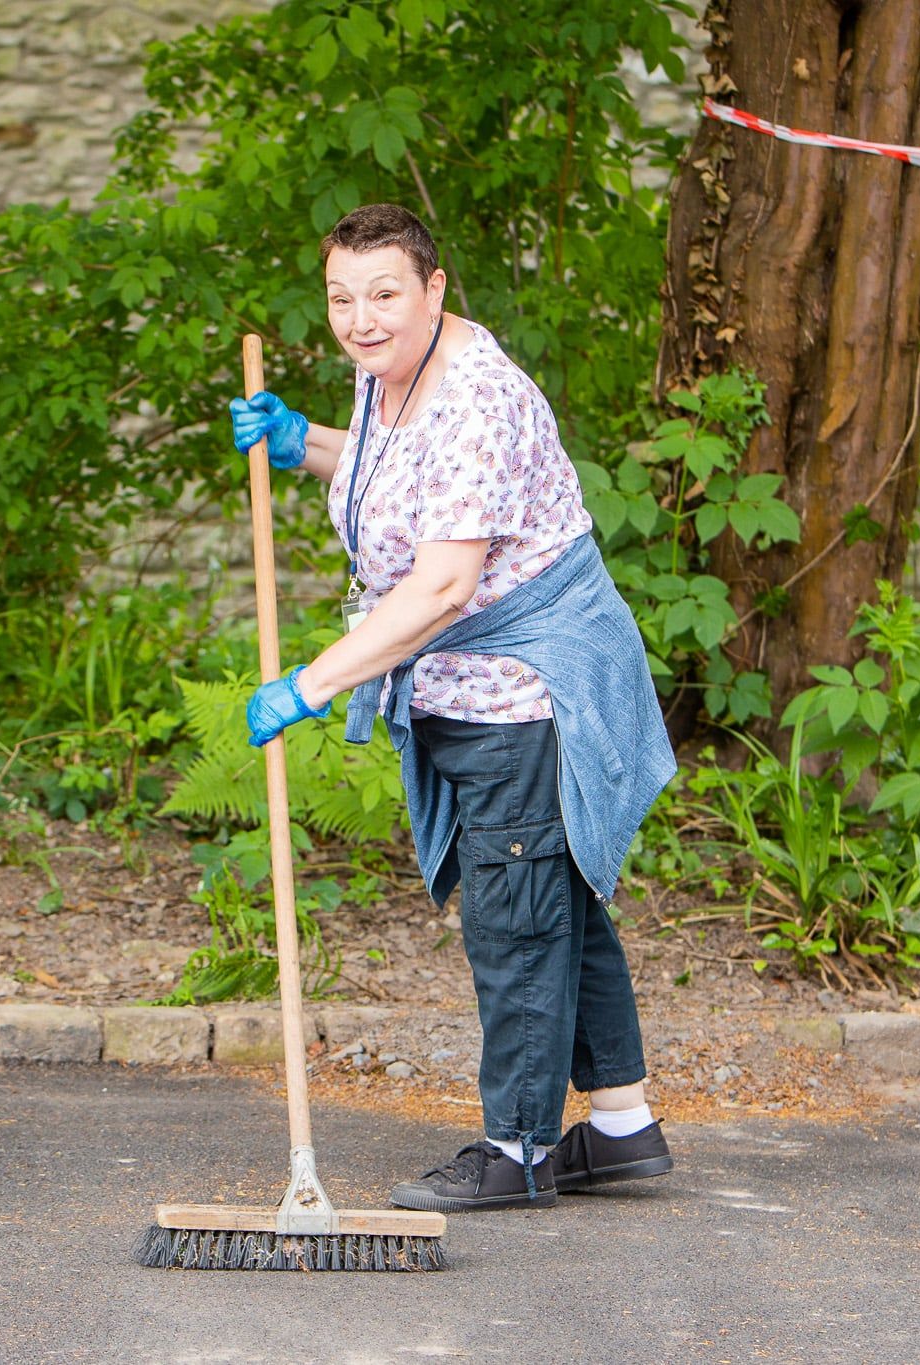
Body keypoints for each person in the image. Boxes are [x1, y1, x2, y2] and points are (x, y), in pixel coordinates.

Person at [228, 204, 678, 1212]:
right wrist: (307, 445)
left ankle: (514, 1149)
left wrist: (312, 683)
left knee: (516, 919)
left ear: (434, 290)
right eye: (341, 297)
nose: (360, 317)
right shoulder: (392, 368)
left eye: (384, 293)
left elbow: (438, 585)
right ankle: (619, 1127)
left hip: (518, 696)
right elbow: (402, 478)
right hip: (465, 688)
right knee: (554, 898)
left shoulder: (472, 399)